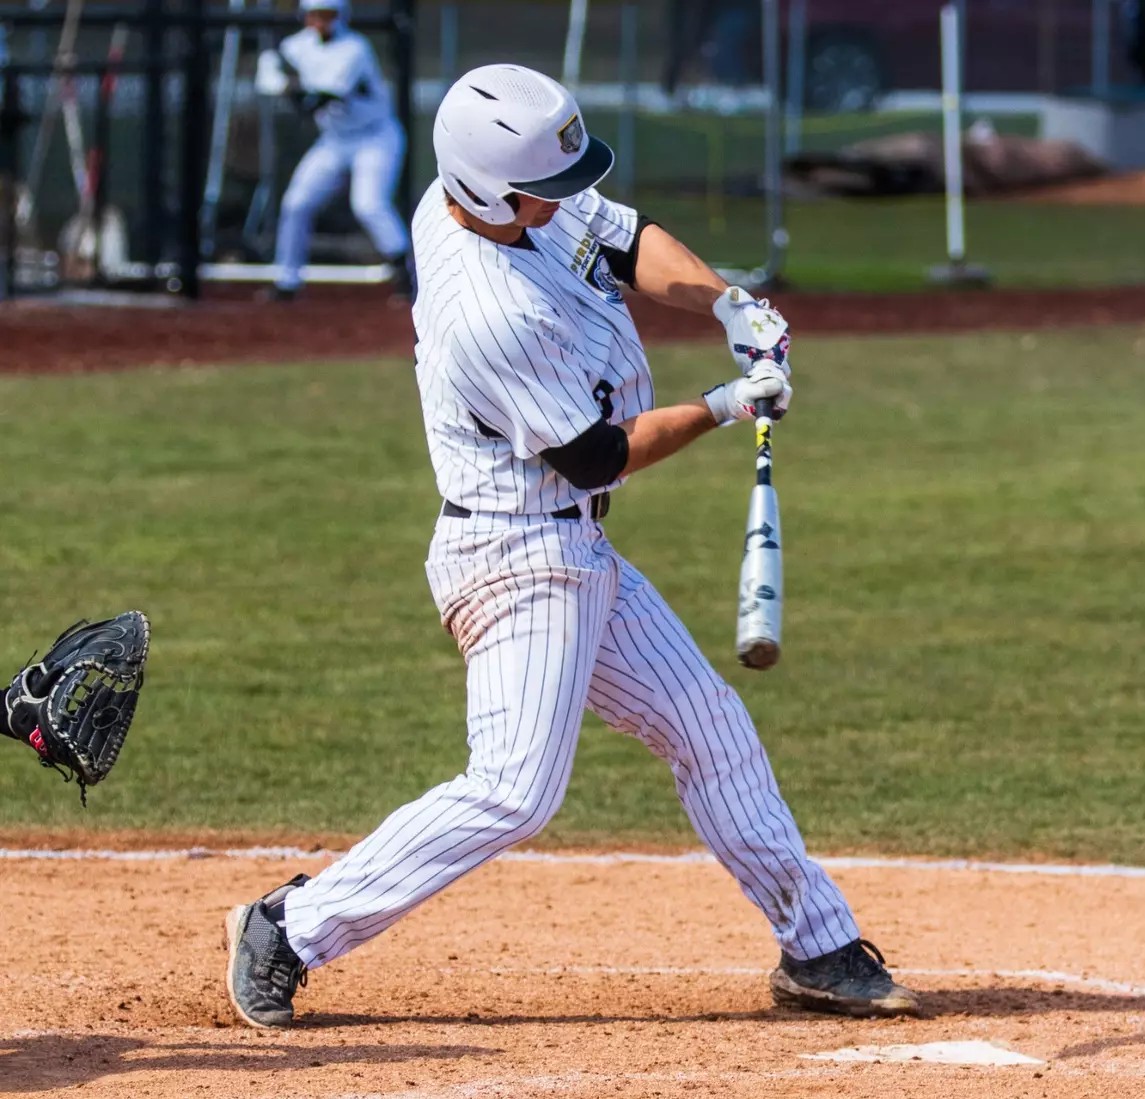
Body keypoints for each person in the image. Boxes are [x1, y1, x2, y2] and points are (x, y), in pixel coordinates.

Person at [224, 63, 920, 1030]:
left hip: (573, 547)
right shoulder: (487, 312)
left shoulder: (515, 199)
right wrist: (727, 405)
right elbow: (595, 457)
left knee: (709, 728)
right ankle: (289, 926)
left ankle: (818, 949)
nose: (561, 203)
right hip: (515, 558)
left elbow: (625, 238)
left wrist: (727, 304)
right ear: (482, 190)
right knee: (514, 791)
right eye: (541, 191)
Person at [254, 0, 412, 300]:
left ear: (341, 16)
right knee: (296, 203)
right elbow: (266, 73)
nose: (320, 22)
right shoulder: (297, 45)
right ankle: (287, 280)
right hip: (334, 139)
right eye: (315, 15)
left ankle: (406, 272)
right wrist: (282, 77)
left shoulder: (355, 48)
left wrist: (287, 84)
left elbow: (321, 96)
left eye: (327, 15)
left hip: (375, 136)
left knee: (369, 205)